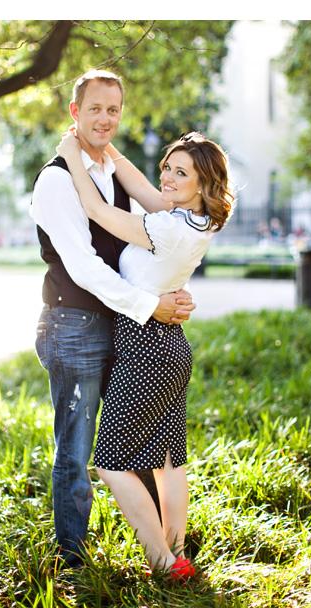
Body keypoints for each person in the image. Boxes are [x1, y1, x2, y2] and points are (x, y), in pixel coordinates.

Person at [32, 70, 196, 571]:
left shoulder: (110, 171)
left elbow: (163, 231)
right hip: (74, 326)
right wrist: (152, 306)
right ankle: (74, 562)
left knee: (136, 439)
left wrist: (170, 293)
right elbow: (82, 266)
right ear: (75, 113)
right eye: (95, 108)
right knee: (77, 453)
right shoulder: (58, 178)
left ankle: (166, 551)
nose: (105, 118)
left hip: (125, 328)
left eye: (114, 109)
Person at [55, 127, 234, 580]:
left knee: (113, 464)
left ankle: (163, 563)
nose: (167, 179)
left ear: (204, 184)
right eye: (167, 168)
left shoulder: (165, 227)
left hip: (144, 348)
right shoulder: (196, 220)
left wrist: (72, 154)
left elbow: (97, 208)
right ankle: (178, 554)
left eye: (180, 172)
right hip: (171, 346)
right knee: (169, 458)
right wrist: (103, 147)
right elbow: (140, 184)